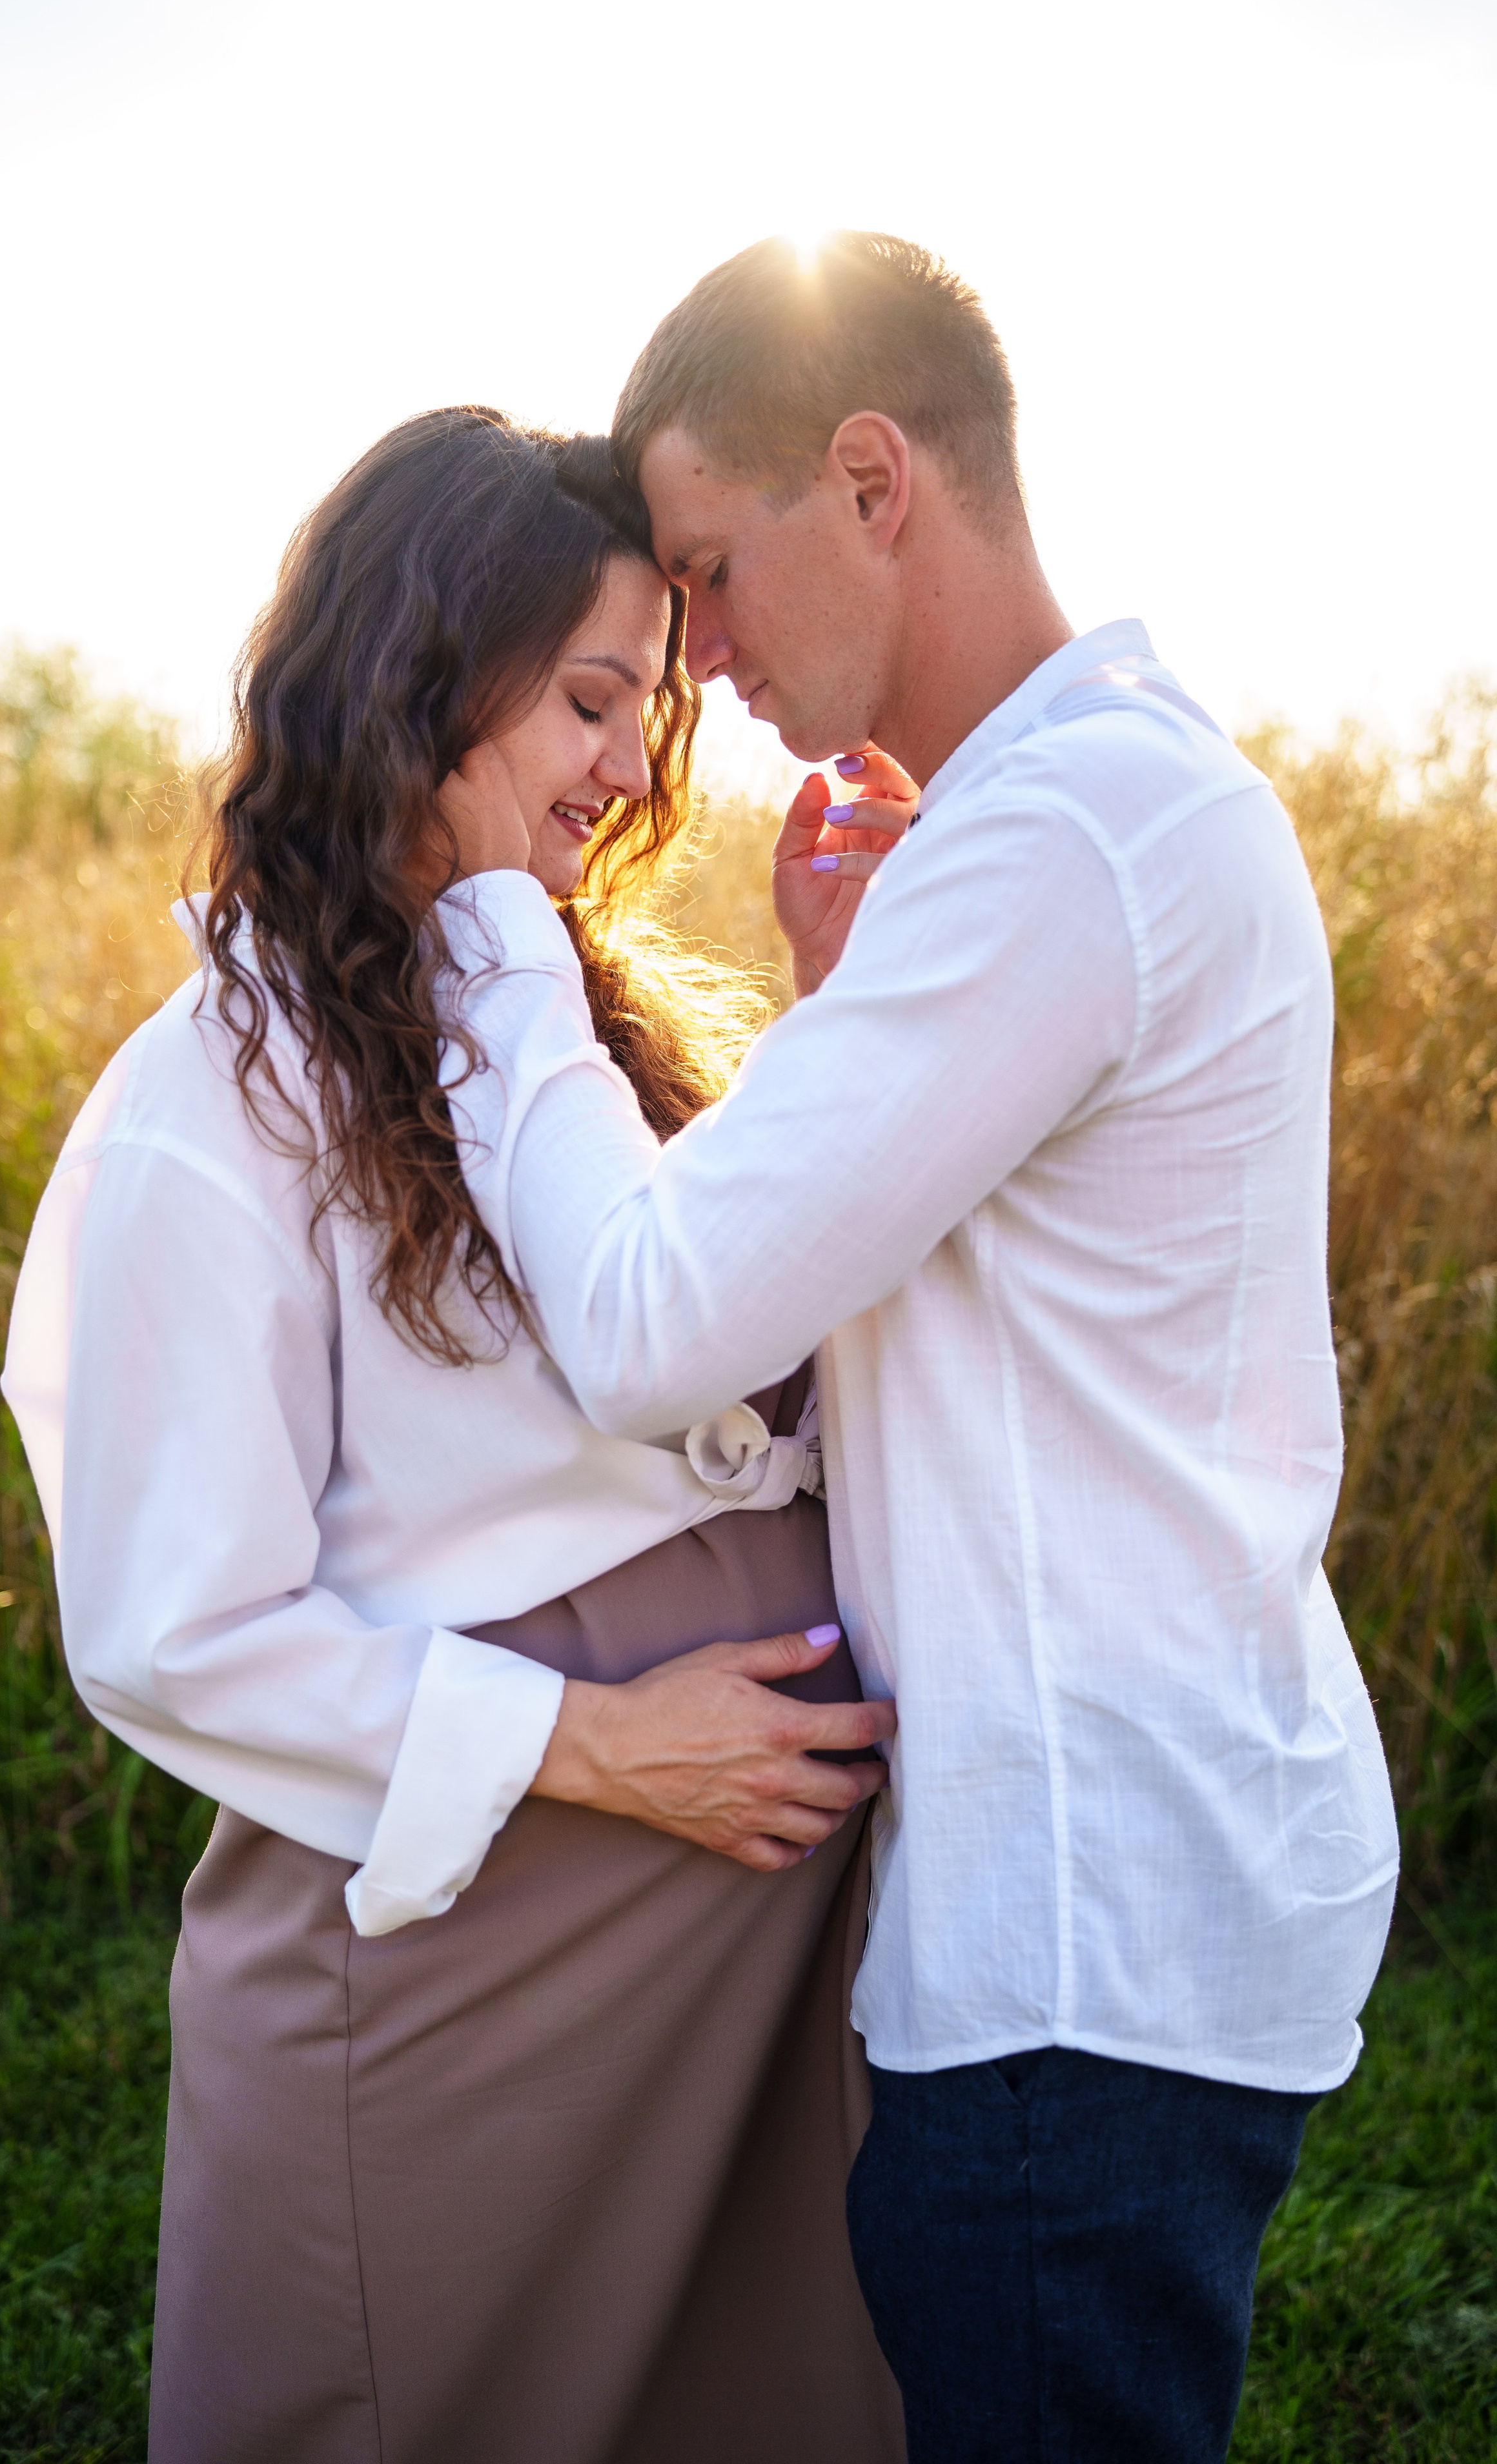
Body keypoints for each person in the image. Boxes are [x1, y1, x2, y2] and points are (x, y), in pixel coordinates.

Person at [434, 235, 1402, 2464]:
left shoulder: (1060, 839)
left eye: (707, 570)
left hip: (1083, 1954)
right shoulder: (1091, 809)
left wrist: (498, 926)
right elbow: (897, 1267)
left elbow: (655, 1325)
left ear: (872, 479)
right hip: (1128, 1896)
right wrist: (842, 1005)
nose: (696, 656)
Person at [1, 407, 905, 2464]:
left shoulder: (569, 1031)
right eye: (591, 700)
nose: (628, 766)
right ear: (422, 668)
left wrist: (843, 1016)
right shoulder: (212, 1101)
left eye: (648, 712)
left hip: (745, 1948)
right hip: (482, 1954)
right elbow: (169, 1624)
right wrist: (603, 1749)